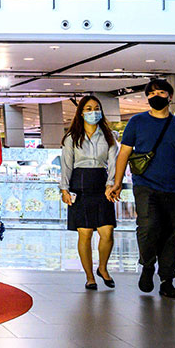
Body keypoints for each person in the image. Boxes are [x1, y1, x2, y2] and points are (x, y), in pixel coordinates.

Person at [107, 78, 175, 299]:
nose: (155, 97)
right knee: (148, 227)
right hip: (146, 186)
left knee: (170, 235)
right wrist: (117, 182)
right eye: (151, 94)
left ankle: (167, 280)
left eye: (160, 92)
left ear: (170, 96)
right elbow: (124, 153)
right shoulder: (136, 122)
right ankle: (148, 266)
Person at [59, 95, 118, 290]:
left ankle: (103, 268)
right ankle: (90, 276)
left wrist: (112, 184)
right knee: (84, 234)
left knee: (107, 231)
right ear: (81, 112)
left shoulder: (110, 136)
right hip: (79, 185)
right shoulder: (71, 137)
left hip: (102, 185)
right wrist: (64, 188)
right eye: (89, 108)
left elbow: (113, 164)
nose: (93, 112)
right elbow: (66, 165)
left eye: (96, 108)